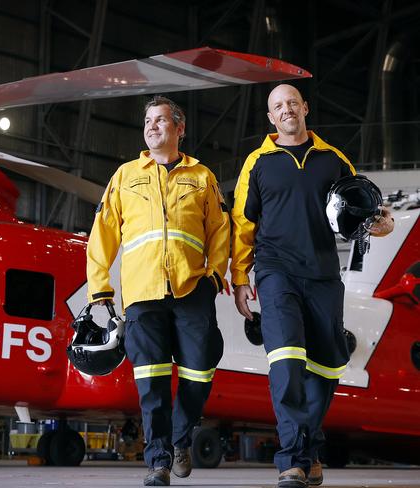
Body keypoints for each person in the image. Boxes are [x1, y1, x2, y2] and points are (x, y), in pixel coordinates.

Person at [230, 84, 394, 488]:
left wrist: (382, 224)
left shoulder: (334, 160)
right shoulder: (258, 162)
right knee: (285, 361)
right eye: (277, 106)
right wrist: (239, 279)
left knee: (327, 366)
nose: (286, 110)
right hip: (275, 272)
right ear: (270, 118)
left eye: (291, 103)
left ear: (305, 108)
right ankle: (291, 460)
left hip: (323, 275)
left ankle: (308, 449)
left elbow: (363, 211)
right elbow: (242, 226)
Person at [86, 95, 230, 486]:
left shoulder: (202, 176)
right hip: (142, 292)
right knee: (150, 380)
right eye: (148, 121)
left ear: (179, 129)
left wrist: (215, 275)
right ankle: (159, 461)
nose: (152, 126)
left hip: (192, 287)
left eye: (161, 120)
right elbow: (101, 235)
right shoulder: (125, 176)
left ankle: (181, 439)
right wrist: (100, 290)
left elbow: (220, 229)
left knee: (200, 370)